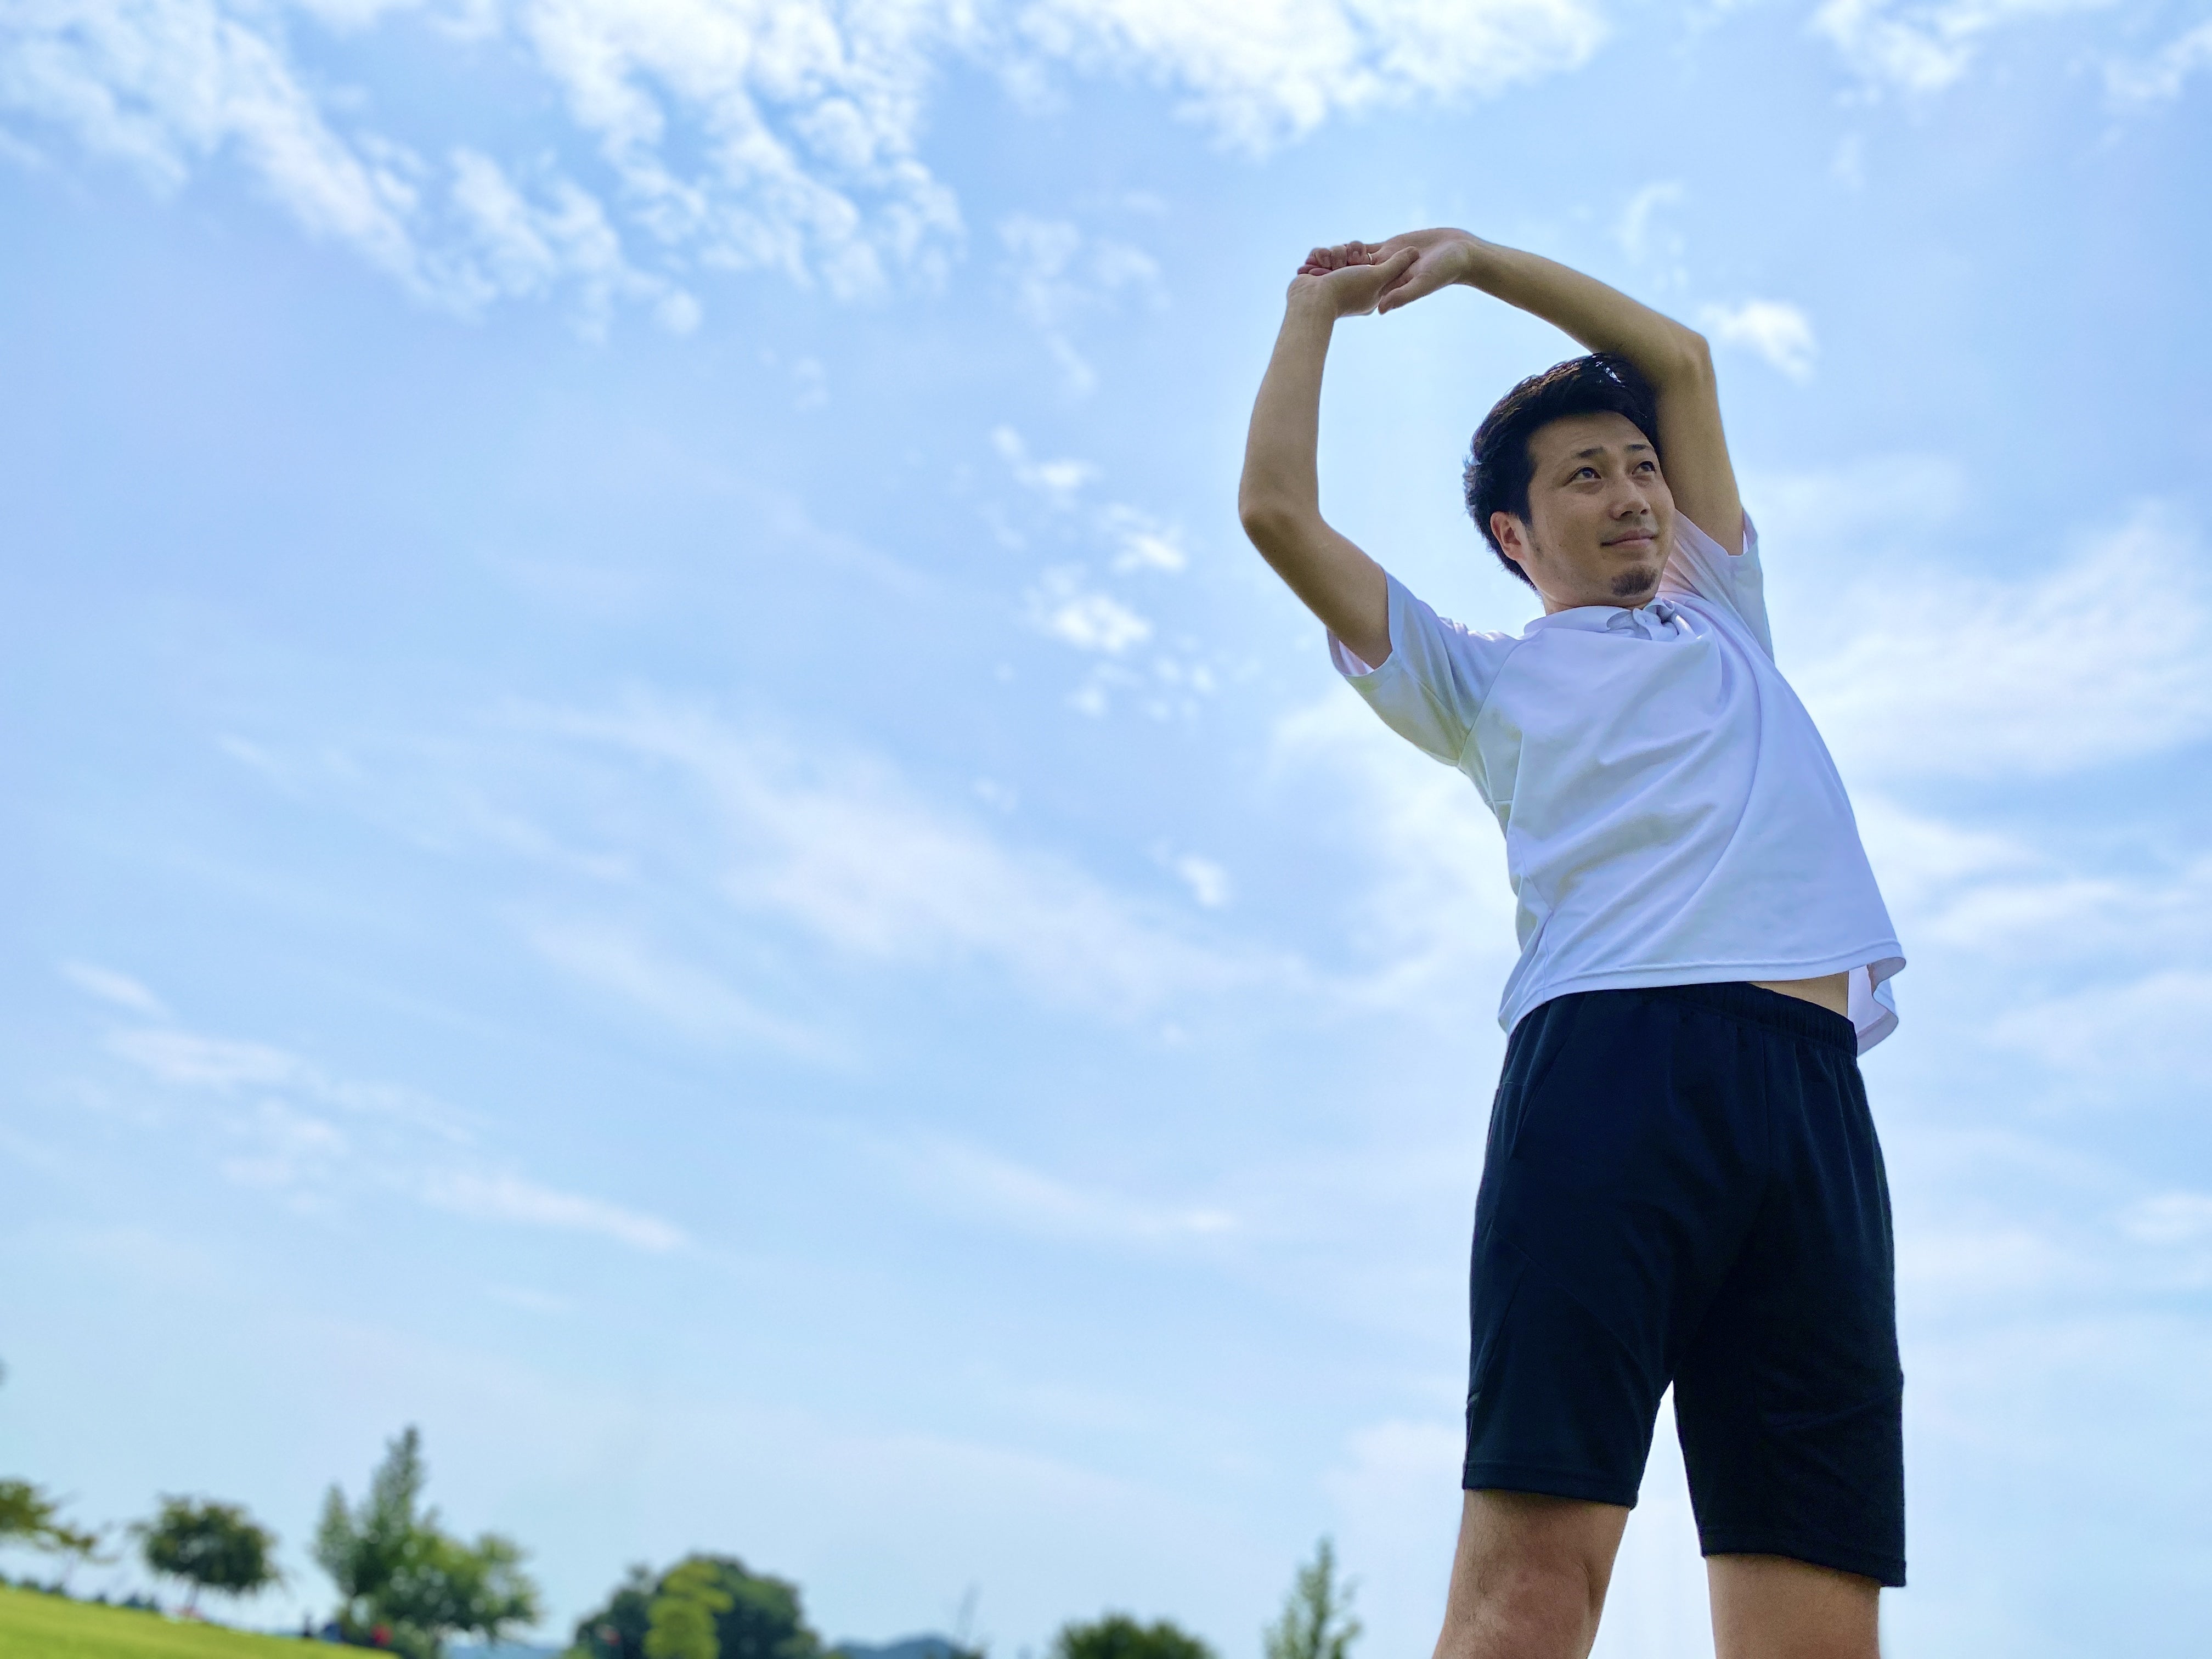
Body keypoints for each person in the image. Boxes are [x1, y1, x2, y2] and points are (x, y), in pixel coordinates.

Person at [1237, 230, 1907, 1659]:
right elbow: (1277, 513)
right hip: (1612, 1071)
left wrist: (1477, 263)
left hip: (1811, 1095)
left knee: (1818, 1625)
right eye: (1585, 476)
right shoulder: (1477, 681)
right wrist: (1315, 314)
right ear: (1514, 535)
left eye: (1642, 467)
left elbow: (1681, 360)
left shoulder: (1721, 613)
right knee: (1532, 1599)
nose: (1632, 494)